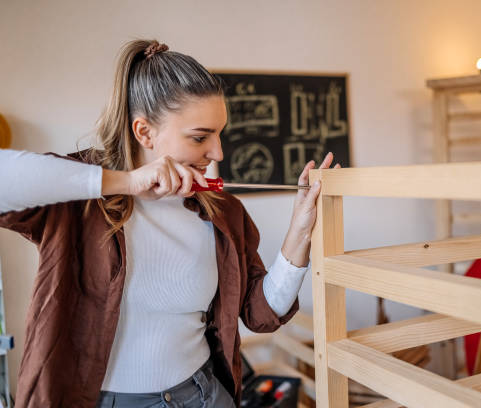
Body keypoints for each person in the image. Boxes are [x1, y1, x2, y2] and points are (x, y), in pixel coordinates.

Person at [0, 39, 339, 408]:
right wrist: (126, 183)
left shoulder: (223, 211)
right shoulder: (80, 198)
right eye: (200, 137)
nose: (218, 153)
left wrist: (301, 229)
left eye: (219, 133)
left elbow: (261, 314)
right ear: (144, 132)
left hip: (204, 395)